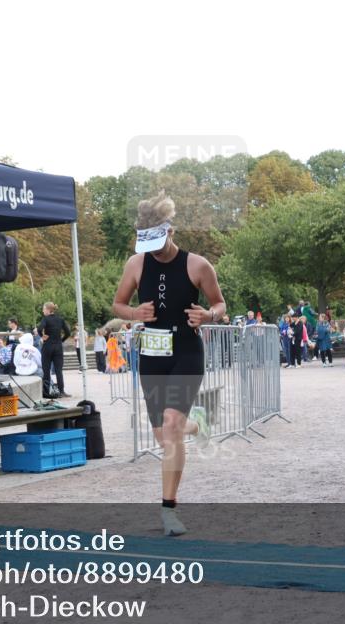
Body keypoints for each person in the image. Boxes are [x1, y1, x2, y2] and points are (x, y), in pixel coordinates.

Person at [112, 191, 225, 537]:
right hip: (152, 357)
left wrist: (207, 315)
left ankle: (168, 510)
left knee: (171, 426)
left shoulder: (198, 265)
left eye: (159, 242)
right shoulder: (135, 264)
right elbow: (118, 304)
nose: (155, 252)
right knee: (166, 437)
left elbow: (220, 304)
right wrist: (134, 314)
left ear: (171, 231)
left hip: (187, 354)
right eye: (149, 245)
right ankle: (198, 423)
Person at [38, 302, 71, 398]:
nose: (43, 311)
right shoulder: (60, 319)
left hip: (47, 346)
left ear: (48, 310)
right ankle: (61, 391)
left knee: (46, 370)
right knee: (58, 370)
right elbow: (68, 332)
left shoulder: (45, 319)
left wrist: (42, 336)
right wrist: (62, 340)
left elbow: (40, 329)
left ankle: (48, 391)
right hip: (58, 347)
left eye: (44, 309)